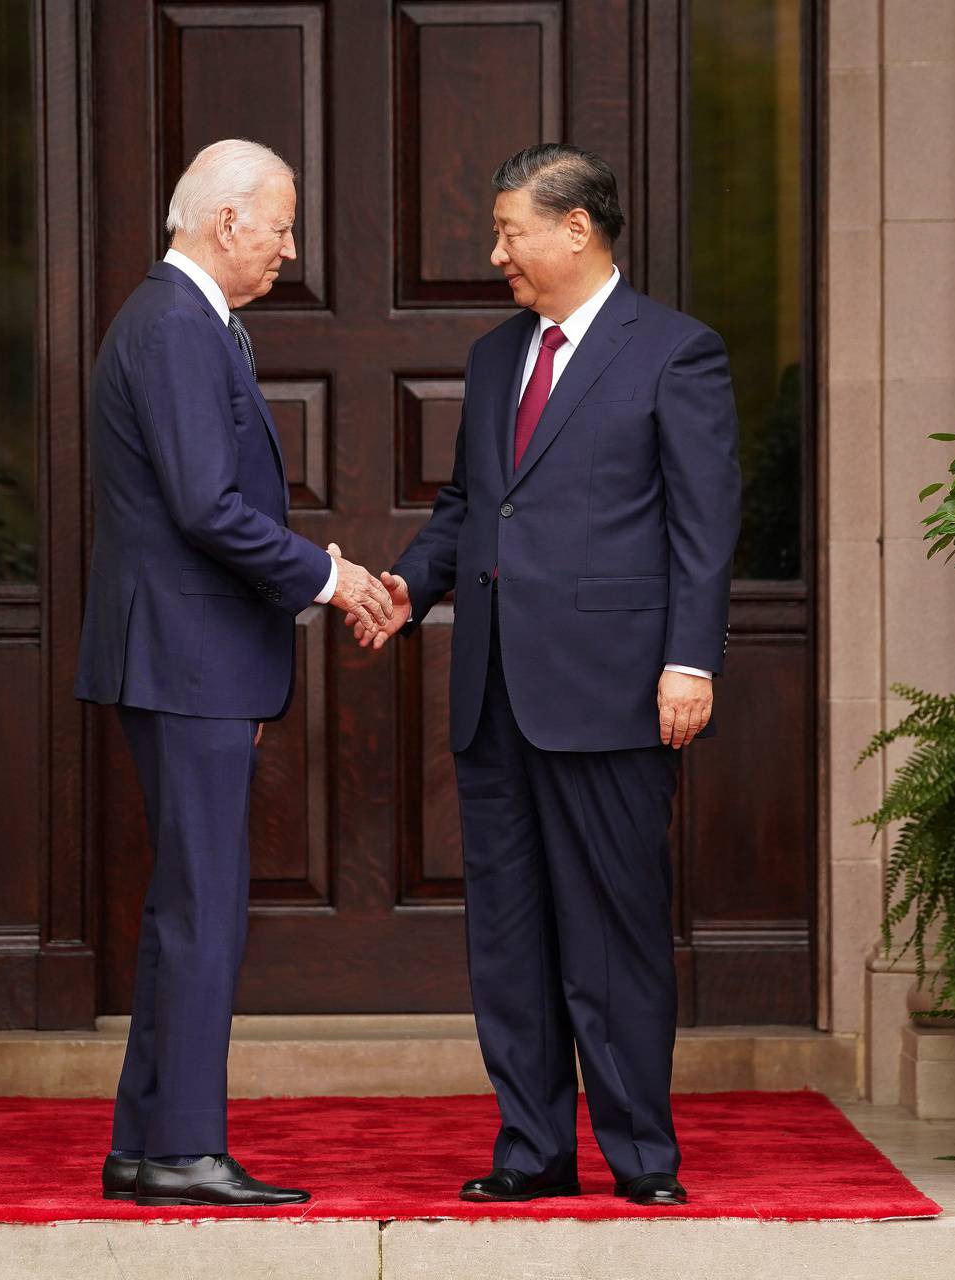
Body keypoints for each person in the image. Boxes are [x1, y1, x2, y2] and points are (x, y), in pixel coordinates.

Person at [351, 142, 741, 1208]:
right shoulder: (491, 358)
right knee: (510, 936)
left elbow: (705, 530)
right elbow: (469, 507)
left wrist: (689, 660)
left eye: (510, 230)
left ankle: (641, 1158)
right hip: (495, 694)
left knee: (613, 934)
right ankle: (531, 1146)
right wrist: (404, 585)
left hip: (616, 689)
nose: (496, 253)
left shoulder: (676, 352)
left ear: (578, 229)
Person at [75, 137, 393, 1208]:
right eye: (283, 224)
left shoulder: (190, 323)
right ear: (226, 223)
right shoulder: (174, 325)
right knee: (204, 907)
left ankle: (145, 1141)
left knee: (187, 900)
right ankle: (185, 1149)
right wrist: (332, 576)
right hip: (188, 655)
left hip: (196, 655)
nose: (290, 246)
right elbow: (206, 507)